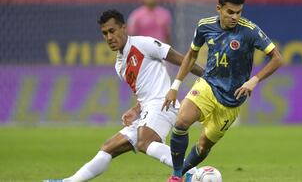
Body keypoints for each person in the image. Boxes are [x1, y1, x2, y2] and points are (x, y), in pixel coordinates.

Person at [44, 9, 203, 182]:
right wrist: (135, 110)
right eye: (104, 33)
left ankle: (194, 173)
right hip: (148, 110)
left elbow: (185, 59)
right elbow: (143, 92)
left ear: (124, 28)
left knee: (144, 142)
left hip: (163, 104)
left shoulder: (143, 44)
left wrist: (208, 76)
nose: (109, 37)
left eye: (112, 31)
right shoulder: (119, 66)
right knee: (108, 147)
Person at [162, 0, 284, 182]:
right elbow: (191, 55)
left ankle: (183, 173)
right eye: (230, 12)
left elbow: (277, 58)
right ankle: (176, 177)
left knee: (203, 146)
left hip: (232, 101)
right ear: (219, 8)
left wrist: (254, 80)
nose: (235, 17)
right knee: (181, 121)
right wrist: (175, 86)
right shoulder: (204, 26)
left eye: (238, 12)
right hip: (208, 86)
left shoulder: (249, 31)